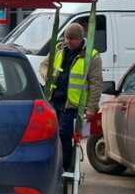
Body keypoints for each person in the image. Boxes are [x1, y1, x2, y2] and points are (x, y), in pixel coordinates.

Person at [44, 23, 102, 173]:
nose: (68, 42)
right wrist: (48, 76)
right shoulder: (58, 50)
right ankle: (56, 167)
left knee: (65, 135)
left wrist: (91, 108)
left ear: (80, 39)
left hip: (72, 105)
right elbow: (44, 66)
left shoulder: (91, 56)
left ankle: (66, 169)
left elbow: (96, 84)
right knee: (52, 135)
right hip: (54, 100)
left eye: (72, 39)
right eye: (66, 38)